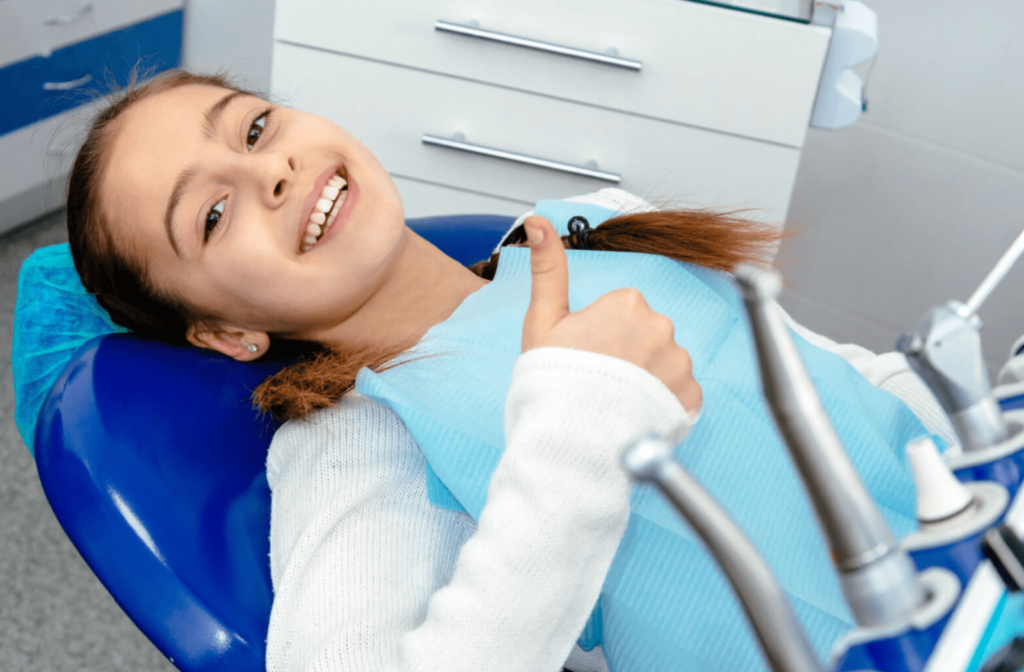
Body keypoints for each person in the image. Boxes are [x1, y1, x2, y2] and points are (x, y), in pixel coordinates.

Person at [63, 71, 956, 671]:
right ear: (225, 335)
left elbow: (820, 373)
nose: (274, 173)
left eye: (256, 127)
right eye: (214, 214)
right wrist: (575, 435)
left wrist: (957, 416)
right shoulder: (368, 436)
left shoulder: (591, 224)